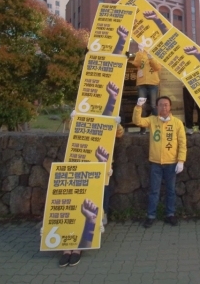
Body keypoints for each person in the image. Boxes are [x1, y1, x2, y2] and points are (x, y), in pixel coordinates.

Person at [58, 115, 124, 268]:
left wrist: (117, 123)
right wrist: (73, 118)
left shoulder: (109, 118)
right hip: (80, 165)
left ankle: (80, 246)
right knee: (76, 202)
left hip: (102, 166)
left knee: (94, 202)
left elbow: (119, 133)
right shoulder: (84, 115)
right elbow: (72, 129)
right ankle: (67, 248)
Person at [133, 96, 187, 228]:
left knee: (171, 191)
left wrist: (181, 161)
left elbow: (182, 143)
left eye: (166, 105)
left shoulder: (177, 123)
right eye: (161, 105)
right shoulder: (152, 120)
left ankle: (170, 214)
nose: (164, 107)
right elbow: (137, 121)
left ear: (170, 107)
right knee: (154, 191)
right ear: (157, 107)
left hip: (172, 163)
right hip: (156, 163)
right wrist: (138, 107)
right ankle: (151, 216)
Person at [131, 45, 162, 134]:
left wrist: (151, 58)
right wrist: (140, 53)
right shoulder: (139, 53)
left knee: (153, 105)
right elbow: (136, 64)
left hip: (153, 83)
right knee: (142, 106)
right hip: (142, 84)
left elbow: (158, 67)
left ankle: (158, 126)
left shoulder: (156, 53)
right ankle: (142, 128)